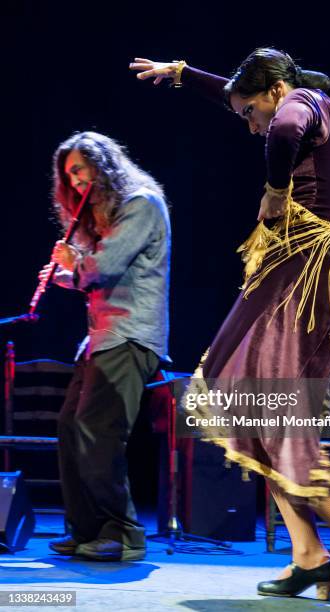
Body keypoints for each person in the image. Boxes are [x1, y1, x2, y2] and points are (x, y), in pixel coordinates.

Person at [129, 50, 330, 600]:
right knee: (249, 406)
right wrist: (184, 75)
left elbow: (283, 127)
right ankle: (309, 555)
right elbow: (261, 114)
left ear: (274, 90)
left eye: (251, 110)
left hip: (302, 273)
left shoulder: (300, 103)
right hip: (293, 272)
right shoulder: (293, 103)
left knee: (261, 402)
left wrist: (275, 191)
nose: (252, 125)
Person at [42, 131, 171, 561]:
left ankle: (124, 533)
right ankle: (87, 529)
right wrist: (66, 275)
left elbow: (107, 266)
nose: (76, 183)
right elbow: (91, 277)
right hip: (100, 337)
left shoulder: (140, 204)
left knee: (99, 431)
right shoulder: (109, 215)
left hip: (131, 334)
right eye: (69, 176)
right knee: (69, 428)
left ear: (102, 164)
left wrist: (74, 264)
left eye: (80, 170)